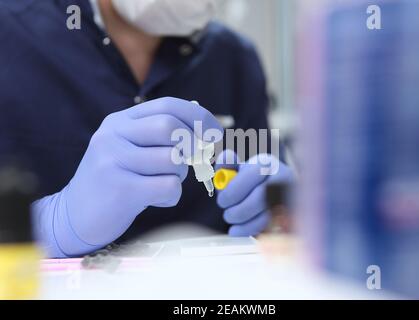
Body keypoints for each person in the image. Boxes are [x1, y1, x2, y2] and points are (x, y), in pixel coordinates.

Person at [0, 0, 293, 257]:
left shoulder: (234, 58)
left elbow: (269, 203)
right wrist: (54, 225)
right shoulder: (11, 34)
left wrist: (282, 214)